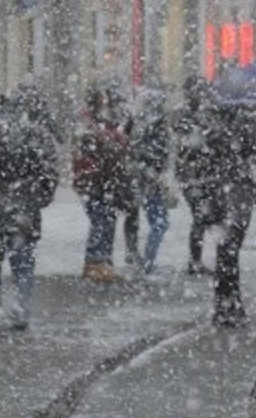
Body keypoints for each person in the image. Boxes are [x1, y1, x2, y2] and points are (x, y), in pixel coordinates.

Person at [0, 86, 59, 328]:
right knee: (22, 262)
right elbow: (49, 175)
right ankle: (20, 307)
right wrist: (37, 198)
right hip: (23, 209)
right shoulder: (36, 136)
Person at [210, 100, 256, 327]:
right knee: (230, 249)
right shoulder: (248, 126)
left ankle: (224, 303)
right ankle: (230, 303)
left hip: (219, 194)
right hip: (236, 195)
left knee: (225, 250)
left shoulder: (214, 127)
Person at [72, 85, 139, 283]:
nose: (105, 105)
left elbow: (113, 143)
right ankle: (93, 263)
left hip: (101, 181)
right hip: (94, 182)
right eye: (101, 101)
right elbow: (100, 147)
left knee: (106, 219)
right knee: (100, 221)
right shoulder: (89, 125)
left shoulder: (98, 123)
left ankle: (102, 263)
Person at [172, 75, 222, 275]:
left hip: (208, 173)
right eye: (196, 91)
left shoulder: (209, 113)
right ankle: (195, 261)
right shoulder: (182, 114)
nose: (199, 96)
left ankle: (199, 259)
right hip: (190, 174)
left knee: (209, 216)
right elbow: (185, 140)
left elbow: (217, 135)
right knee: (200, 216)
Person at [132, 88, 172, 276]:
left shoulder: (148, 125)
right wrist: (153, 172)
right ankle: (147, 263)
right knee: (160, 223)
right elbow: (146, 154)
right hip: (150, 181)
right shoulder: (151, 127)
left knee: (159, 222)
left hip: (150, 180)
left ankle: (147, 261)